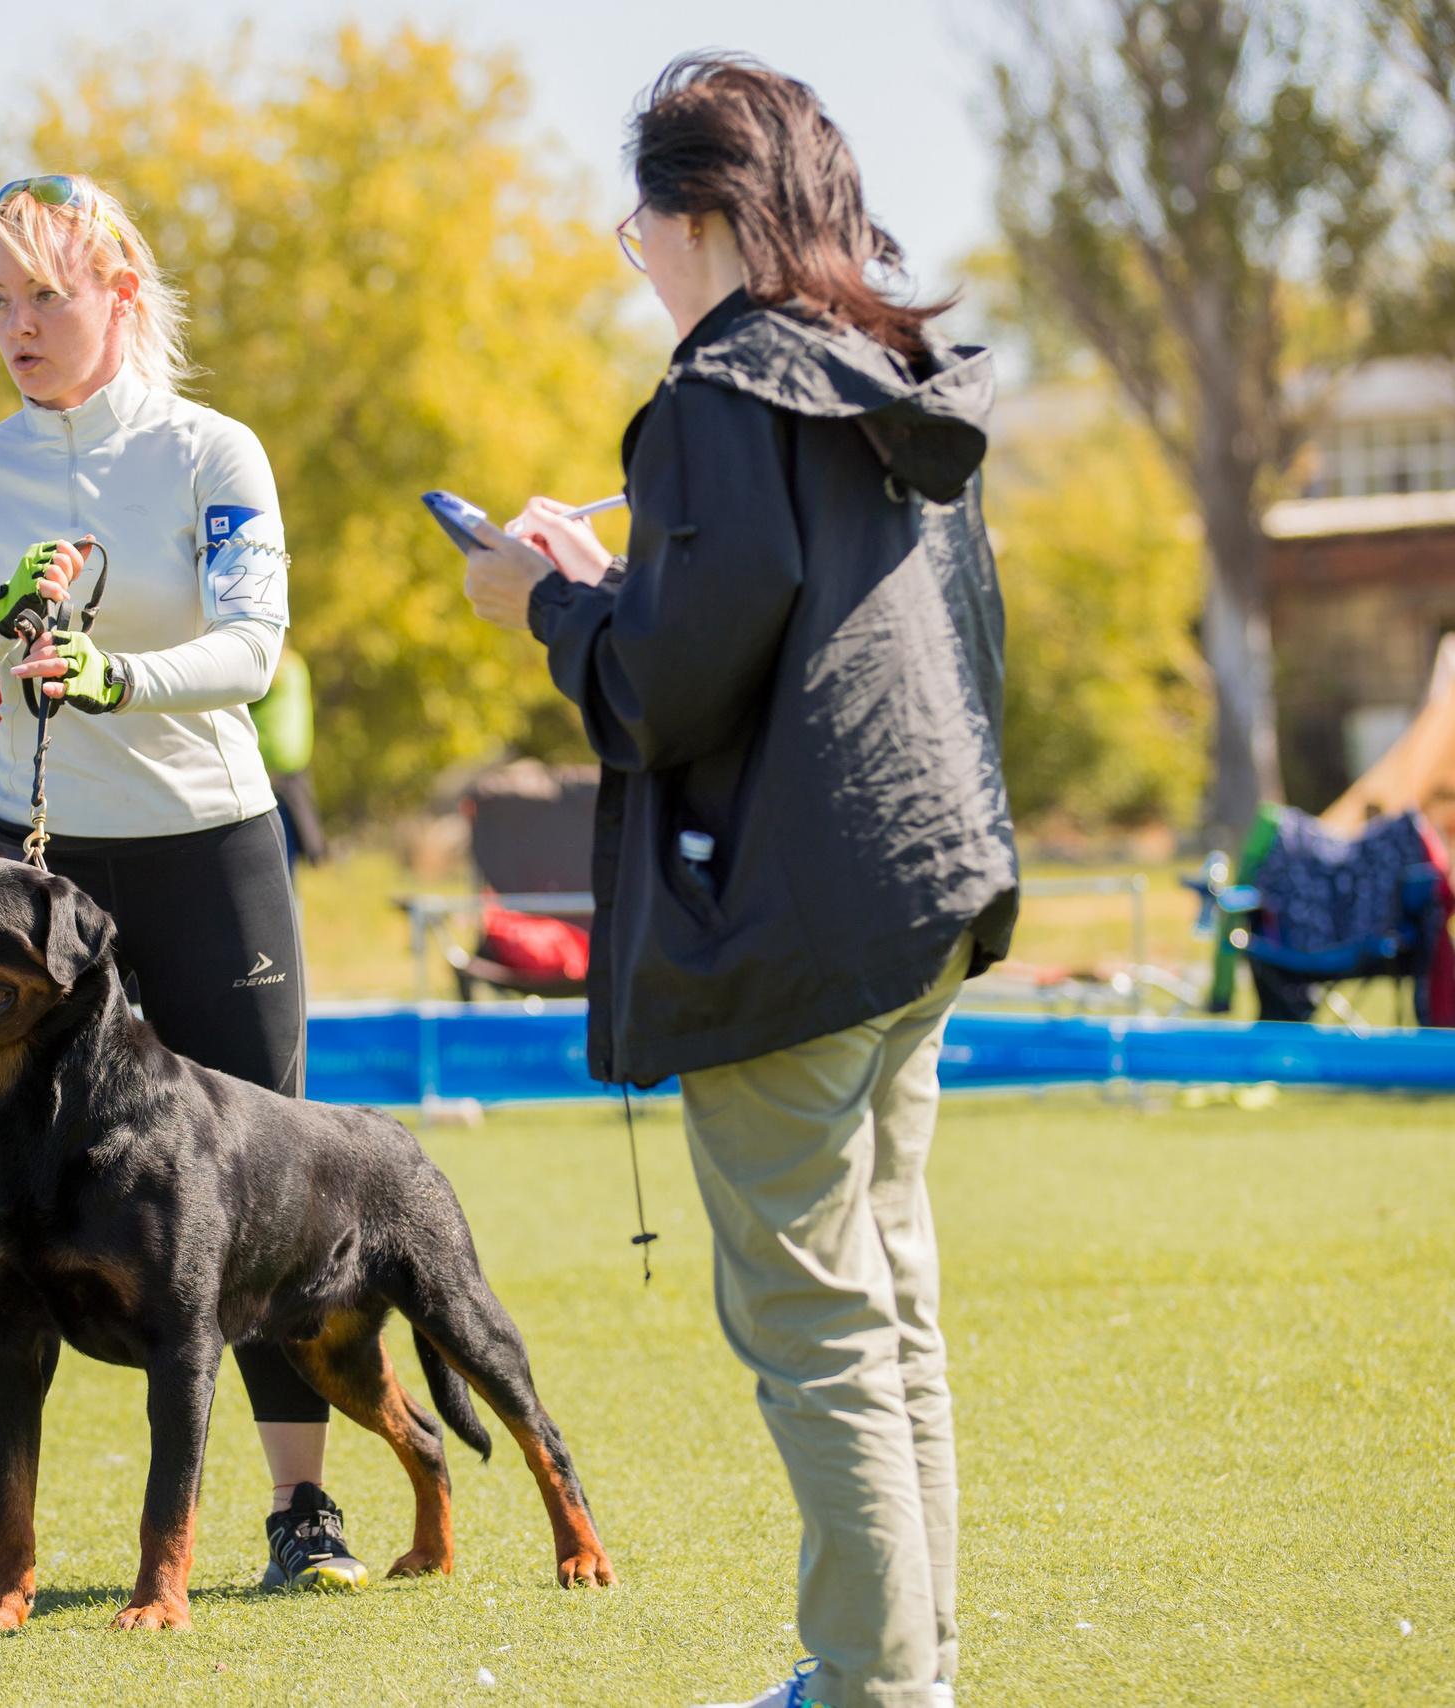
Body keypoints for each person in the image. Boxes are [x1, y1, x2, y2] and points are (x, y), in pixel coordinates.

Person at [456, 57, 1017, 1708]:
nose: (632, 248)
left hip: (792, 913)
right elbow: (776, 629)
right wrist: (619, 579)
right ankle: (907, 1671)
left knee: (821, 1321)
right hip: (920, 894)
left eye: (638, 218)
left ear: (698, 214)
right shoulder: (883, 370)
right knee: (890, 1305)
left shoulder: (718, 391)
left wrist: (542, 602)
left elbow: (660, 691)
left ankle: (868, 1682)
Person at [0, 171, 367, 1612]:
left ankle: (302, 1510)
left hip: (208, 837)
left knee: (266, 1174)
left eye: (44, 294)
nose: (16, 325)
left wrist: (118, 675)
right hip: (27, 865)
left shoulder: (213, 453)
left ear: (121, 295)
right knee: (7, 1191)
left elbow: (256, 649)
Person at [251, 646, 327, 868]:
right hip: (296, 754)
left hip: (273, 757)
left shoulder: (276, 666)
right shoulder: (296, 664)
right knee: (296, 823)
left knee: (278, 831)